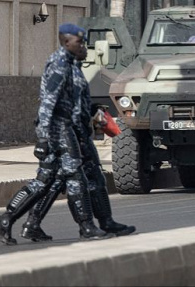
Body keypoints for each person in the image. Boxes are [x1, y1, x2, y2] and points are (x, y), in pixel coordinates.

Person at [0, 24, 110, 245]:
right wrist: (44, 137)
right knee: (75, 177)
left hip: (68, 128)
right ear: (66, 42)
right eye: (79, 42)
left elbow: (70, 99)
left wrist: (90, 111)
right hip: (58, 129)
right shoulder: (60, 64)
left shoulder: (72, 64)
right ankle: (86, 226)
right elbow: (48, 102)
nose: (83, 46)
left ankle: (7, 220)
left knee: (46, 180)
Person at [20, 58, 136, 241]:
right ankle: (97, 224)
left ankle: (32, 224)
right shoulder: (60, 69)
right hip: (67, 135)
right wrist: (44, 138)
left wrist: (93, 110)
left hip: (74, 133)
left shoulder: (74, 70)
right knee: (80, 179)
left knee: (62, 181)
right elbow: (50, 106)